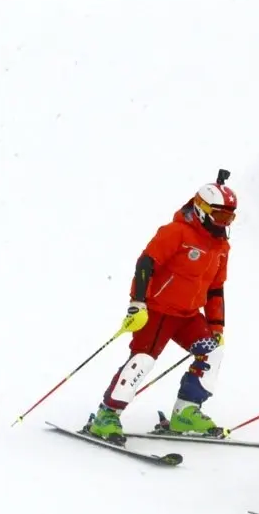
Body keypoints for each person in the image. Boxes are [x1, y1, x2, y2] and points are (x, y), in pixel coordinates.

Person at [85, 172, 237, 444]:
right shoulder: (176, 232)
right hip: (156, 311)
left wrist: (216, 326)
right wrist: (137, 303)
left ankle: (186, 412)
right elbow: (146, 264)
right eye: (220, 216)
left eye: (229, 218)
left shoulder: (221, 247)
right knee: (142, 361)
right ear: (202, 210)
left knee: (213, 352)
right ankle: (106, 415)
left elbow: (216, 289)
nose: (224, 223)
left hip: (188, 316)